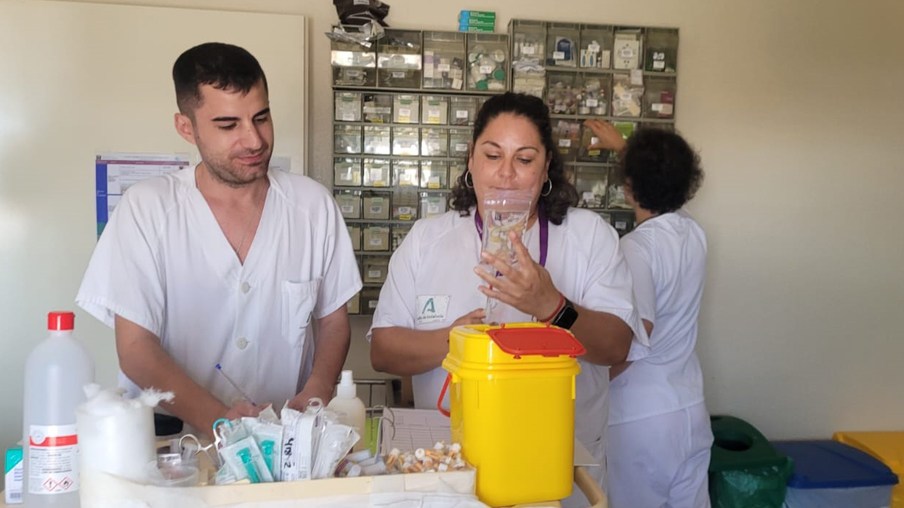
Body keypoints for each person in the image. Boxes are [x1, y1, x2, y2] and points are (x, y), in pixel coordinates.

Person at [370, 93, 649, 498]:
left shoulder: (589, 236)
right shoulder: (427, 240)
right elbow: (383, 350)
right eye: (492, 155)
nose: (505, 174)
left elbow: (617, 346)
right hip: (456, 470)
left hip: (557, 469)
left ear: (546, 166)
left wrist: (553, 307)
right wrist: (453, 339)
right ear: (471, 159)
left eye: (524, 159)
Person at [76, 43, 362, 437]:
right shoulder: (147, 210)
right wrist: (220, 422)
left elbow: (333, 322)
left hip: (285, 443)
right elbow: (136, 349)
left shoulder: (312, 207)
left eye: (261, 118)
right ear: (186, 127)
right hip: (173, 443)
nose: (254, 140)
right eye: (228, 126)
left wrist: (318, 388)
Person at [584, 119, 712, 508]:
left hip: (642, 421)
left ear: (628, 188)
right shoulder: (693, 232)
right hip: (690, 410)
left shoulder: (636, 249)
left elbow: (632, 340)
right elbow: (661, 181)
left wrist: (585, 389)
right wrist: (626, 149)